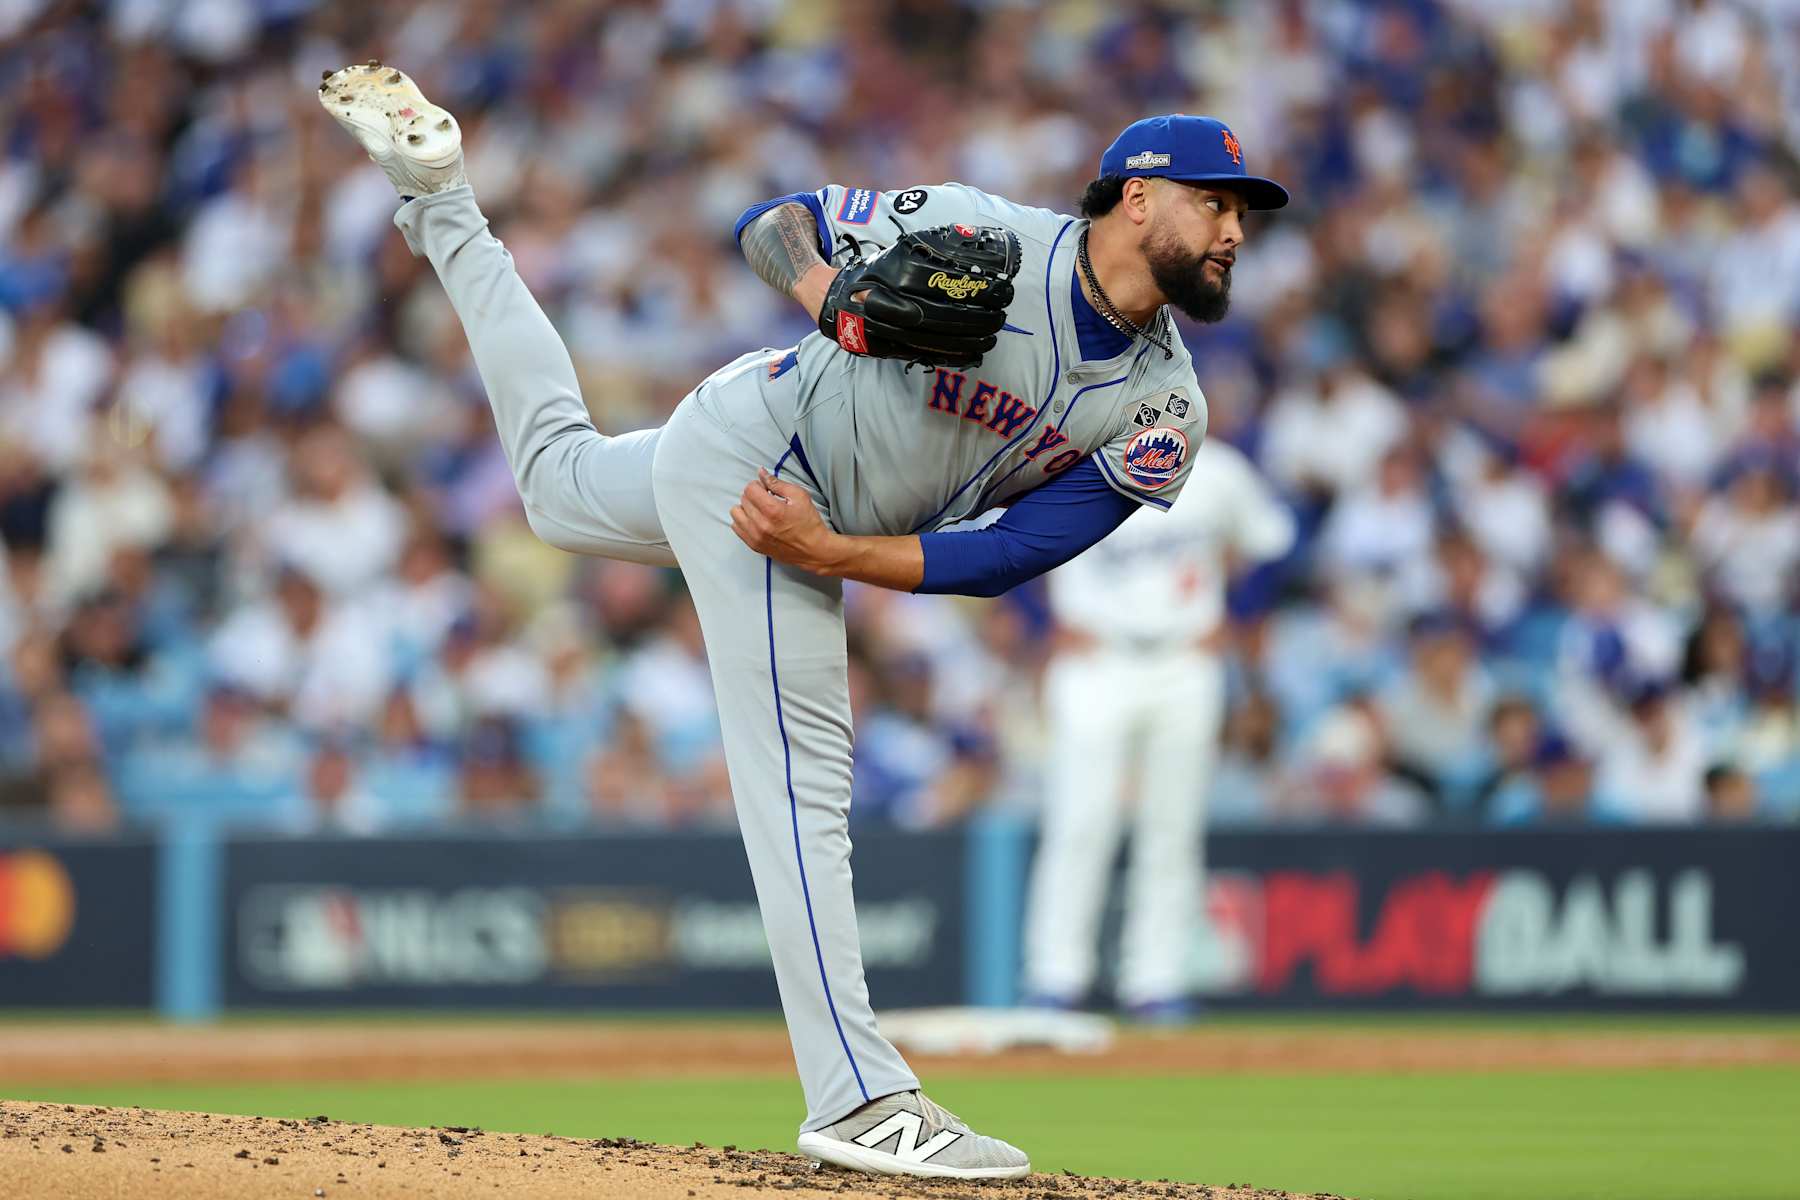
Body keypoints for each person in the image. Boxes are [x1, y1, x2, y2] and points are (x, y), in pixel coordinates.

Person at [318, 63, 1285, 1180]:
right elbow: (776, 222)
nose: (1232, 232)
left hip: (788, 503)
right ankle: (859, 1097)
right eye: (1215, 202)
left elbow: (1014, 556)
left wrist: (837, 557)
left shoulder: (1167, 408)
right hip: (769, 459)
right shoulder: (991, 233)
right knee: (801, 781)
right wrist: (832, 294)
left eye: (1240, 213)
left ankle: (439, 199)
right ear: (1135, 197)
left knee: (555, 483)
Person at [1021, 433, 1292, 1020]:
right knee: (1080, 819)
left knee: (1172, 825)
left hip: (1184, 656)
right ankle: (1055, 978)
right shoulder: (1069, 454)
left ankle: (1156, 980)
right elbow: (999, 535)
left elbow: (1273, 546)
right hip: (1095, 657)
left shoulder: (1216, 467)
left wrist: (1238, 619)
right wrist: (1040, 617)